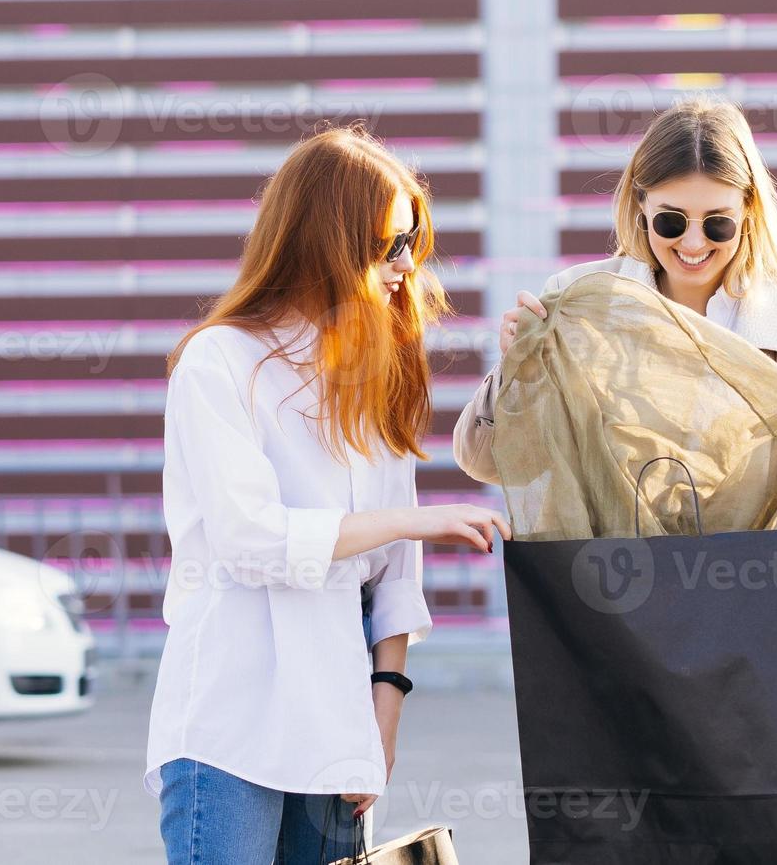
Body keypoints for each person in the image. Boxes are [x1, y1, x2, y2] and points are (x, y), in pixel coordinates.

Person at [146, 127, 512, 865]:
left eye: (411, 241)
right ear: (324, 242)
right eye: (387, 246)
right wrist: (413, 519)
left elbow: (395, 580)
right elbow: (251, 540)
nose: (407, 266)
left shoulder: (372, 377)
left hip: (335, 729)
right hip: (228, 730)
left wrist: (385, 711)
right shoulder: (220, 362)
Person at [454, 96, 777, 519]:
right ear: (640, 205)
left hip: (753, 577)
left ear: (748, 211)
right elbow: (486, 461)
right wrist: (514, 371)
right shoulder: (579, 297)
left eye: (717, 223)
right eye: (670, 220)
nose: (692, 243)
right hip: (606, 577)